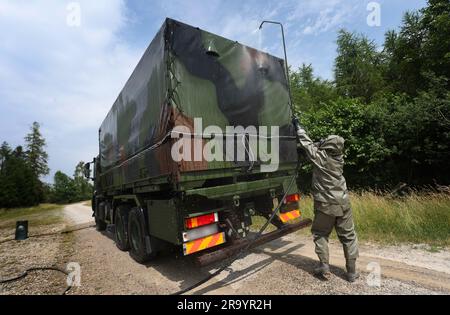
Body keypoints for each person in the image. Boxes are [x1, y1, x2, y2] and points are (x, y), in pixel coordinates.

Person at [296, 125, 360, 282]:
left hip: (325, 205)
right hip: (343, 203)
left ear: (327, 146)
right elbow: (319, 146)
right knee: (349, 237)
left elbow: (307, 144)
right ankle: (351, 272)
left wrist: (298, 128)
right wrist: (322, 144)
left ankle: (324, 266)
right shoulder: (339, 158)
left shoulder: (321, 159)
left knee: (320, 234)